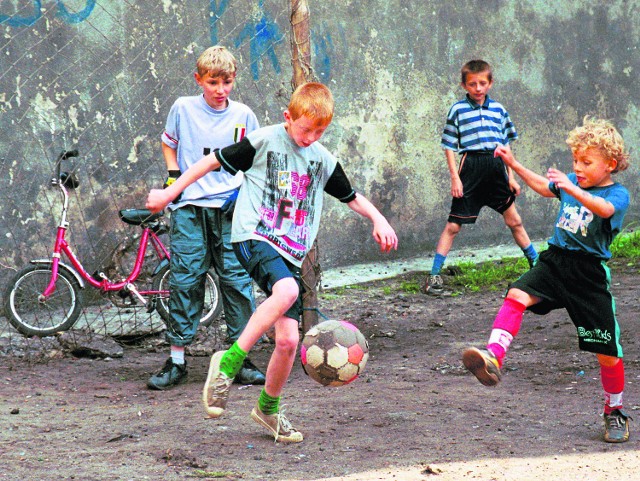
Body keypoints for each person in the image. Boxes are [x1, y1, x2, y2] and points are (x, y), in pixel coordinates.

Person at [146, 82, 398, 442]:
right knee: (287, 289)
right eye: (304, 128)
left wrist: (379, 219)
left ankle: (268, 409)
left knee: (288, 342)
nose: (310, 137)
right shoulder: (263, 141)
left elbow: (351, 195)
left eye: (319, 131)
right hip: (255, 235)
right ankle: (229, 362)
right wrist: (171, 192)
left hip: (290, 251)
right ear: (287, 118)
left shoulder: (321, 159)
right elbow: (211, 161)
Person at [462, 117, 631, 443]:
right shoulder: (571, 182)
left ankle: (615, 412)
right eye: (575, 161)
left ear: (609, 164)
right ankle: (494, 356)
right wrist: (515, 164)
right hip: (555, 262)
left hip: (588, 274)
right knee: (516, 295)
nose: (577, 168)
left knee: (607, 353)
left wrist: (572, 188)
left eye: (586, 162)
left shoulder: (617, 194)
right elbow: (544, 186)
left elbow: (604, 209)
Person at [147, 45, 265, 390]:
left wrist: (243, 195)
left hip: (231, 211)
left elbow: (256, 161)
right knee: (185, 280)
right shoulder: (183, 109)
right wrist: (173, 176)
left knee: (237, 282)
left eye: (226, 82)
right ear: (199, 80)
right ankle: (178, 361)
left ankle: (239, 359)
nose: (220, 90)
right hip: (189, 209)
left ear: (234, 80)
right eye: (213, 82)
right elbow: (169, 142)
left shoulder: (244, 115)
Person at [424, 59, 538, 296]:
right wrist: (455, 178)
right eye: (472, 84)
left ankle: (537, 266)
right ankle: (434, 275)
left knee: (514, 221)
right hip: (471, 169)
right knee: (454, 225)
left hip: (497, 168)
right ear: (464, 85)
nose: (478, 88)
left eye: (482, 83)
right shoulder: (457, 110)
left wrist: (511, 177)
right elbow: (448, 146)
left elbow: (505, 146)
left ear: (490, 83)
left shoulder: (498, 110)